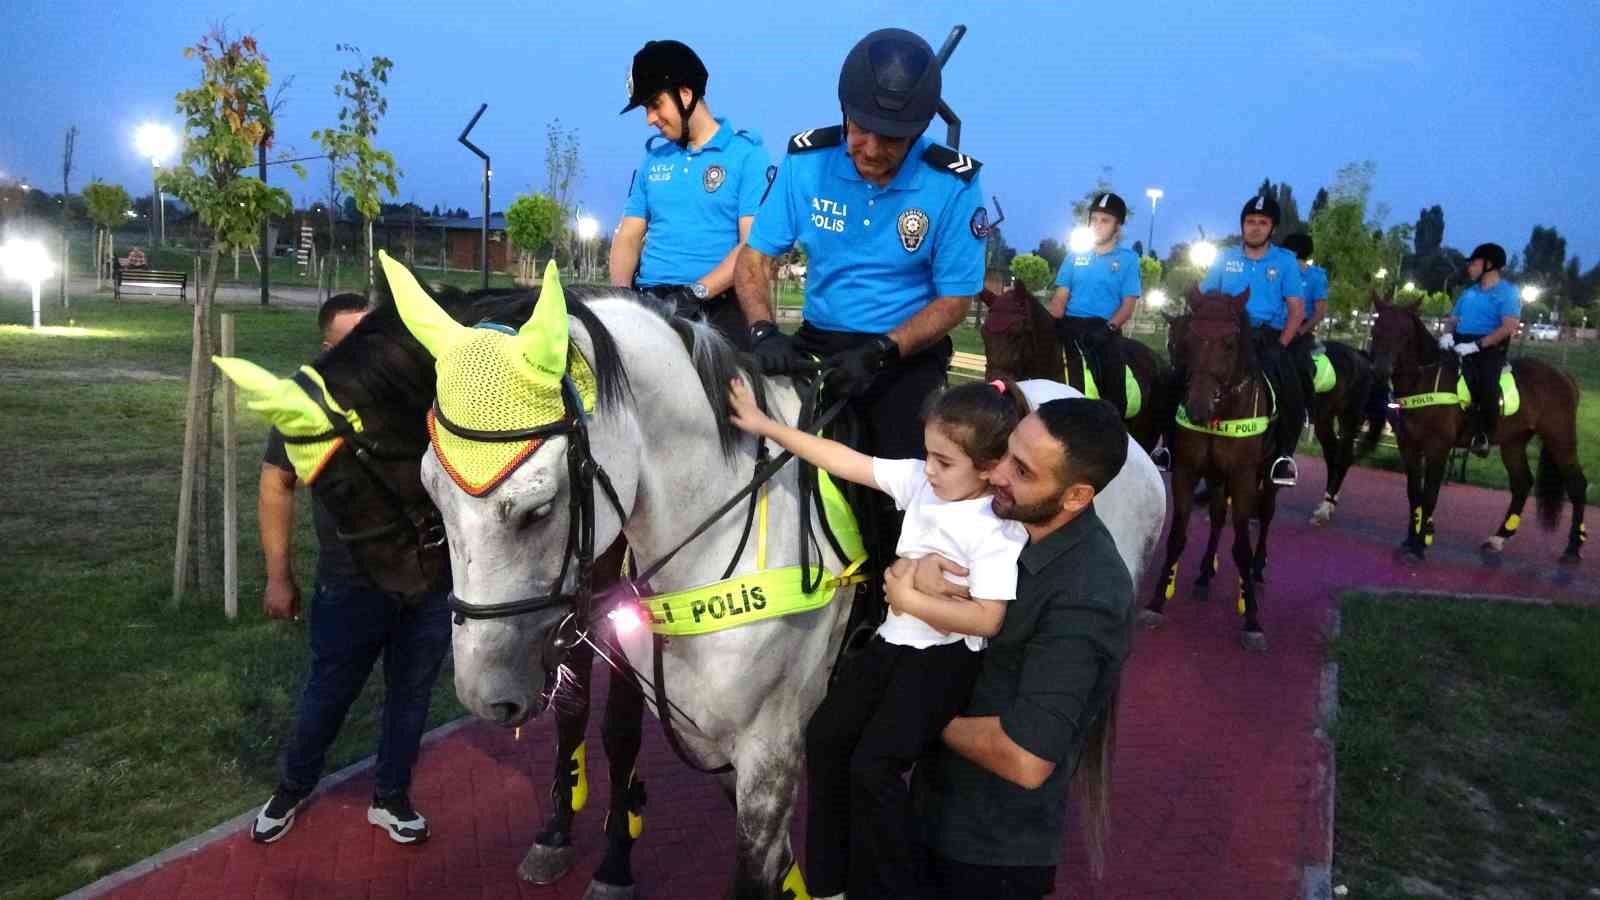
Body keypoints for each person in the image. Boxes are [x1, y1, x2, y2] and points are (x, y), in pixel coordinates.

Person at [726, 375, 1030, 900]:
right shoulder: (920, 483)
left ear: (989, 467)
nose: (929, 469)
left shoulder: (995, 527)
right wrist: (765, 425)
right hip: (892, 644)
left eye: (944, 462)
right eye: (928, 455)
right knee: (823, 739)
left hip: (940, 661)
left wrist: (911, 597)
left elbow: (988, 620)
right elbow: (841, 459)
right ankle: (829, 885)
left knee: (874, 767)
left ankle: (897, 886)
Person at [734, 26, 988, 575]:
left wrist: (882, 351)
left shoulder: (954, 185)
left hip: (902, 355)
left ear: (920, 130)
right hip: (817, 340)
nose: (870, 149)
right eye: (861, 130)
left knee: (913, 479)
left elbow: (955, 301)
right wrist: (761, 330)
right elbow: (755, 259)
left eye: (891, 139)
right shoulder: (807, 161)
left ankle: (893, 592)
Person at [907, 395, 1134, 900]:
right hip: (931, 812)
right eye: (1006, 453)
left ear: (1076, 496)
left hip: (985, 855)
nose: (995, 475)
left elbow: (1025, 757)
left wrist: (911, 712)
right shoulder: (1006, 525)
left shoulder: (1089, 593)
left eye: (1022, 470)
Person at [250, 294, 452, 846]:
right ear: (328, 350)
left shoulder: (423, 387)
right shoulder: (309, 402)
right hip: (352, 579)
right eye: (355, 342)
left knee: (411, 694)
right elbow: (277, 483)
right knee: (330, 690)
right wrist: (278, 574)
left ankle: (391, 796)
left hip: (431, 576)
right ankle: (293, 785)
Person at [610, 39, 770, 348]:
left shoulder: (746, 155)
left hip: (713, 309)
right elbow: (628, 234)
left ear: (685, 95)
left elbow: (752, 244)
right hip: (650, 305)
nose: (649, 119)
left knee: (734, 392)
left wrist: (695, 292)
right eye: (646, 109)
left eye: (655, 105)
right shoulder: (653, 160)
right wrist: (622, 297)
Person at [1200, 194, 1307, 486]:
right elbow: (1207, 297)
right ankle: (1170, 447)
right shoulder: (1225, 258)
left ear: (1272, 228)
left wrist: (1281, 346)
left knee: (1294, 393)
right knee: (1182, 378)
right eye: (1250, 222)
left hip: (1267, 337)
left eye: (1262, 222)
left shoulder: (1285, 262)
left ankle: (1283, 458)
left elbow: (1296, 310)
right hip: (1226, 336)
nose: (1255, 228)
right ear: (1242, 226)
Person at [1048, 192, 1141, 417]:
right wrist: (1051, 322)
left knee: (1112, 375)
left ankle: (1113, 422)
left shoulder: (1128, 259)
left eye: (1104, 220)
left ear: (1117, 227)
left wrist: (1108, 329)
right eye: (1094, 219)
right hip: (1070, 325)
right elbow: (1061, 296)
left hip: (1103, 330)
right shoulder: (1075, 256)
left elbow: (1128, 305)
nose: (1096, 225)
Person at [1441, 242, 1520, 455]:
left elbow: (1508, 327)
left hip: (1489, 348)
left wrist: (1476, 346)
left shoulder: (1507, 293)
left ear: (1489, 265)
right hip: (1459, 342)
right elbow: (1453, 318)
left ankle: (1483, 435)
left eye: (1474, 263)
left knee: (1487, 385)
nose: (1470, 268)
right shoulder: (1469, 293)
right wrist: (1448, 333)